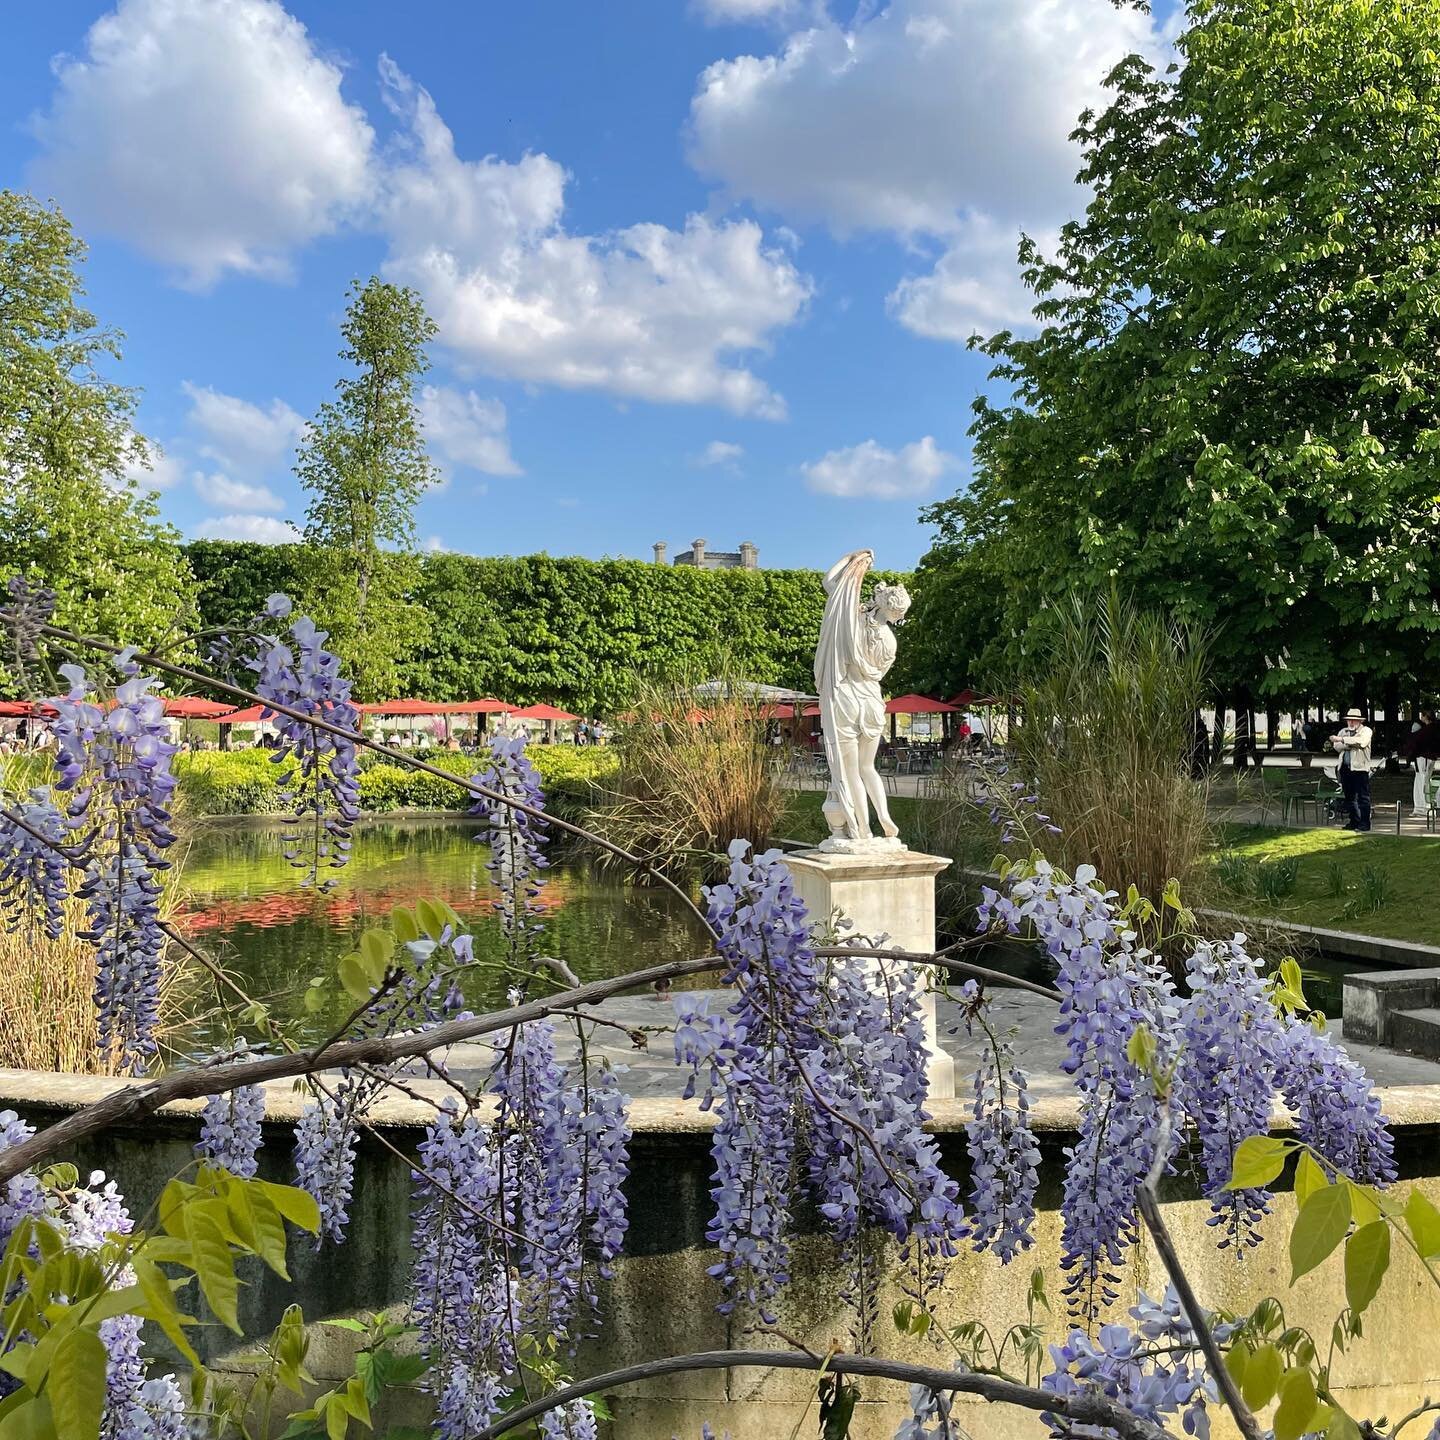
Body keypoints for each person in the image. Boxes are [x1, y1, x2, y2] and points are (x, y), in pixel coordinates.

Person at [814, 548, 910, 847]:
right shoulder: (890, 641)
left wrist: (852, 560)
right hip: (871, 702)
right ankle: (883, 814)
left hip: (845, 696)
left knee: (848, 770)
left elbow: (830, 582)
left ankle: (862, 829)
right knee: (869, 767)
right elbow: (877, 672)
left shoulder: (850, 621)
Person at [1328, 707, 1374, 832]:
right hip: (1345, 768)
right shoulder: (1344, 731)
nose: (1351, 723)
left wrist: (1342, 740)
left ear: (1359, 721)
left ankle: (1365, 823)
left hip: (1360, 769)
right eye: (1349, 720)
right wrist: (1348, 743)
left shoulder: (1366, 731)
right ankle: (1354, 821)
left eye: (1354, 720)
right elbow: (1337, 747)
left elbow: (1362, 742)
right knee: (1349, 798)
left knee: (1363, 797)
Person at [1401, 709, 1440, 813]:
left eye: (1422, 716)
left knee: (1421, 780)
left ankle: (1421, 807)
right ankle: (1425, 804)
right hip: (1431, 757)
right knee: (1426, 779)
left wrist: (1410, 753)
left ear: (1425, 717)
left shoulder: (1426, 730)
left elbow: (1415, 742)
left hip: (1423, 757)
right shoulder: (1434, 729)